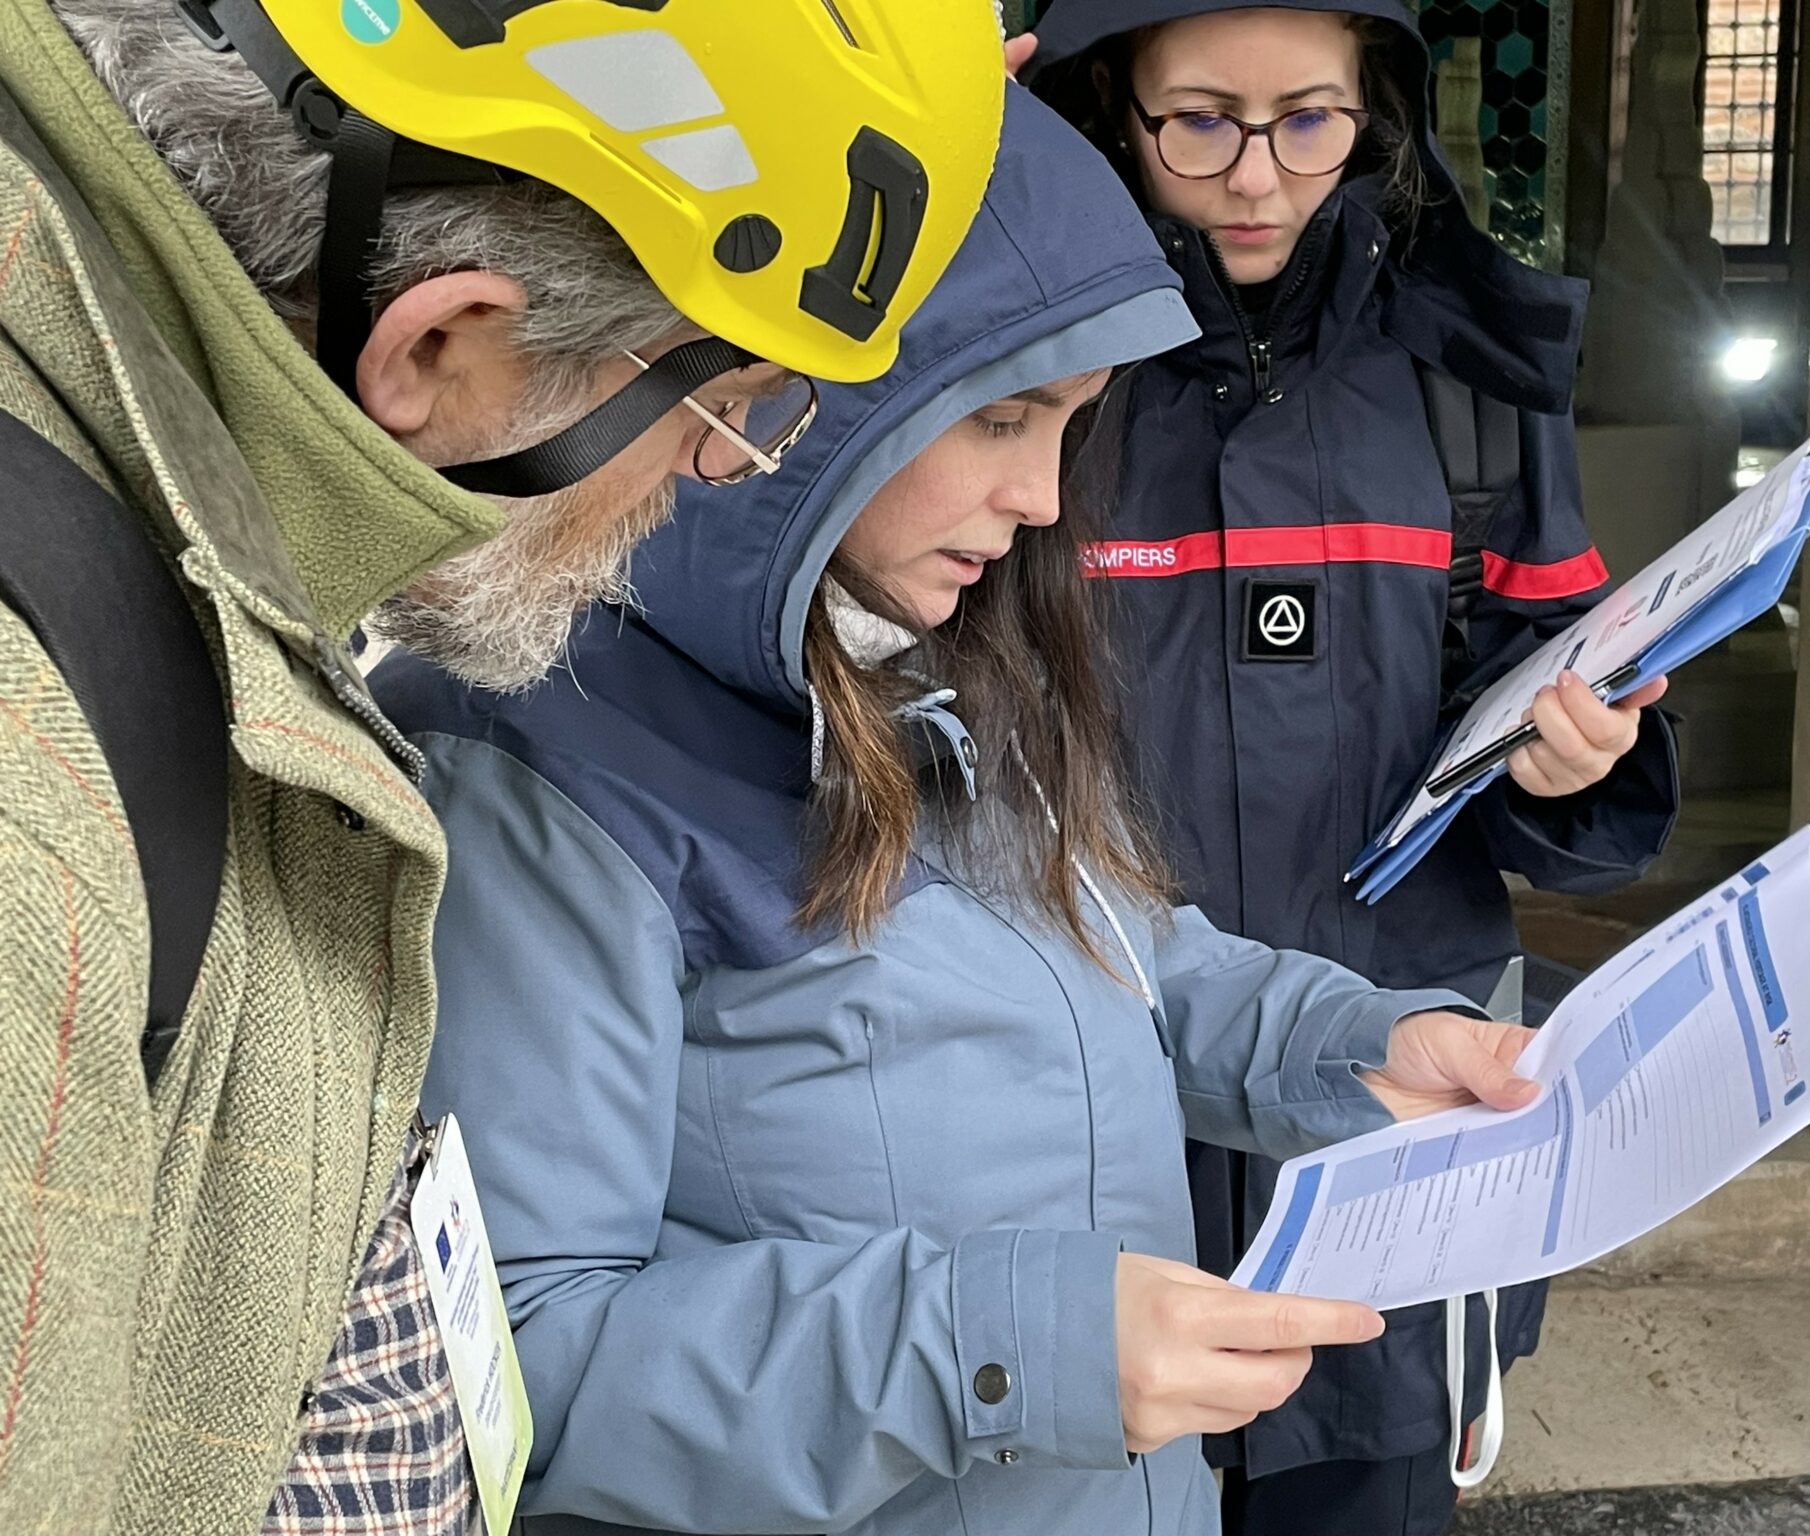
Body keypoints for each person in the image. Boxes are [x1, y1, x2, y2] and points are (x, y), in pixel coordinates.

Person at [371, 88, 1548, 1536]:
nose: (1043, 498)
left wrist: (1355, 1045)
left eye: (1070, 426)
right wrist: (1004, 1351)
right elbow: (517, 1359)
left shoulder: (934, 652)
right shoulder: (541, 759)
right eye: (997, 418)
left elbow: (1135, 969)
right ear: (789, 398)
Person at [0, 0, 1006, 1530]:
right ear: (440, 345)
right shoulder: (37, 801)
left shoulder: (183, 554)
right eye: (721, 408)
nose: (706, 479)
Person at [1025, 5, 1681, 1533]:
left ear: (1375, 106)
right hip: (1086, 1132)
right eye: (1201, 119)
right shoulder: (1024, 375)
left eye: (1308, 118)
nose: (1257, 175)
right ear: (1113, 99)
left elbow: (1551, 708)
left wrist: (1575, 762)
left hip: (1392, 1130)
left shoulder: (1470, 377)